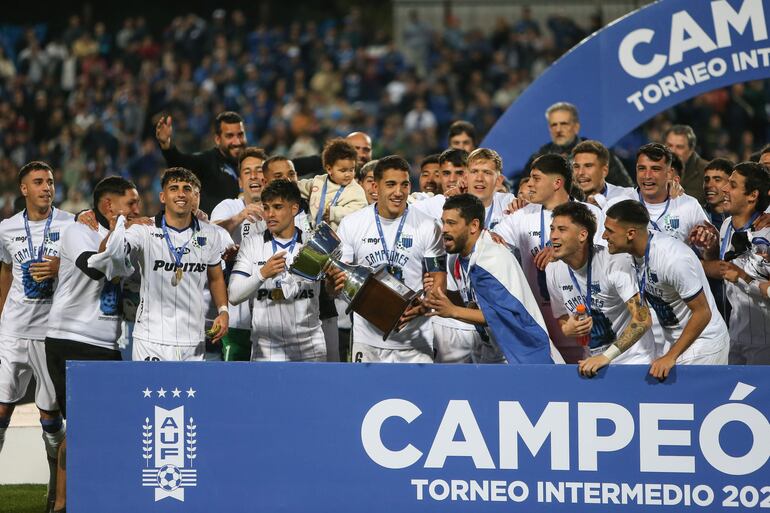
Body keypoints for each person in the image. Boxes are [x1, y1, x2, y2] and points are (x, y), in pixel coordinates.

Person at [43, 176, 144, 512]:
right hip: (72, 340)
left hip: (108, 344)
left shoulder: (125, 234)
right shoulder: (77, 231)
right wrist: (118, 229)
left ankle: (95, 499)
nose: (136, 210)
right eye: (130, 203)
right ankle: (61, 504)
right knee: (83, 427)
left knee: (107, 426)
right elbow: (94, 267)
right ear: (107, 206)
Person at [0, 161, 74, 512]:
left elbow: (85, 264)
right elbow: (6, 272)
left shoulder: (72, 224)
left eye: (50, 181)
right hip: (13, 331)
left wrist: (62, 265)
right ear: (24, 190)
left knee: (50, 416)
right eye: (39, 182)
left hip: (51, 332)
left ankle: (54, 490)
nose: (47, 187)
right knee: (1, 408)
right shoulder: (7, 228)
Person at [96, 168, 229, 361]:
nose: (181, 194)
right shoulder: (144, 229)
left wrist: (223, 311)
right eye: (174, 188)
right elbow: (107, 253)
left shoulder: (211, 234)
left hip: (193, 340)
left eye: (187, 189)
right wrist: (119, 229)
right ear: (163, 196)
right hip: (150, 339)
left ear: (194, 196)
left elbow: (216, 278)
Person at [331, 155, 447, 363]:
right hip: (367, 339)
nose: (398, 192)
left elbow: (438, 278)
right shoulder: (352, 224)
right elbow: (340, 278)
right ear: (375, 186)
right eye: (391, 184)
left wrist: (425, 305)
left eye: (404, 185)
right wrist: (334, 283)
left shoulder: (429, 226)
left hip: (415, 340)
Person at [424, 194, 562, 364]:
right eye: (443, 222)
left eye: (451, 223)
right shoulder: (466, 257)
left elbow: (506, 315)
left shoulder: (489, 260)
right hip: (498, 352)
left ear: (474, 225)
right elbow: (478, 304)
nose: (444, 229)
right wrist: (436, 302)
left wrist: (453, 310)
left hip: (527, 356)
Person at [494, 153, 604, 363]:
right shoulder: (522, 216)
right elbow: (492, 242)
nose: (529, 184)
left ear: (557, 183)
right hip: (542, 326)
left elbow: (605, 257)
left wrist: (562, 250)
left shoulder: (590, 213)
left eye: (536, 178)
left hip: (585, 322)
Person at [604, 200, 729, 379]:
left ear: (631, 233)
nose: (604, 236)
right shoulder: (634, 252)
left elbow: (703, 313)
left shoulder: (673, 259)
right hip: (675, 343)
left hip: (703, 344)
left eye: (610, 231)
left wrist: (671, 356)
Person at [544, 202, 655, 377]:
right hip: (593, 364)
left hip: (634, 363)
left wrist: (606, 357)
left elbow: (643, 319)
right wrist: (567, 329)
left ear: (582, 235)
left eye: (562, 229)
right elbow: (562, 317)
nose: (553, 236)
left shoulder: (614, 263)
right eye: (552, 229)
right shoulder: (552, 270)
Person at [229, 180, 325, 361]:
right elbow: (234, 296)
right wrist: (262, 274)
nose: (270, 214)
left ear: (294, 209)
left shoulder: (314, 244)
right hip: (266, 349)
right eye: (266, 208)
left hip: (310, 347)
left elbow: (334, 292)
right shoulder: (252, 244)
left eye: (278, 207)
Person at [707, 162, 770, 364]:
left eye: (732, 185)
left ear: (752, 195)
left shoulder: (767, 233)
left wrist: (743, 278)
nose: (724, 189)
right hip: (735, 338)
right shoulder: (727, 225)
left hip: (765, 345)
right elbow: (723, 269)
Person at [611, 143, 710, 242]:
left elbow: (709, 251)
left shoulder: (689, 206)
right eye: (642, 169)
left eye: (655, 169)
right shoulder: (619, 204)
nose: (647, 176)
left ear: (669, 173)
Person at [155, 111, 247, 214]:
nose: (237, 141)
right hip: (215, 227)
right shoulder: (207, 161)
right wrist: (166, 145)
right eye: (230, 136)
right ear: (217, 139)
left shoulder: (252, 163)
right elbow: (180, 163)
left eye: (240, 135)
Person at [524, 102, 633, 186]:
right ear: (549, 129)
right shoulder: (538, 158)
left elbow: (626, 188)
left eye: (564, 124)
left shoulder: (600, 153)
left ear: (576, 127)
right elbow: (524, 191)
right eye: (554, 125)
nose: (558, 130)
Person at [297, 138, 367, 231]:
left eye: (352, 169)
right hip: (312, 234)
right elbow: (298, 187)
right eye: (343, 170)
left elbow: (359, 212)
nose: (348, 174)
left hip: (340, 239)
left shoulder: (356, 190)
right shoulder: (318, 181)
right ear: (329, 169)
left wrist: (334, 213)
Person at [210, 147, 267, 244]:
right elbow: (210, 237)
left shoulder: (281, 208)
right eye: (247, 172)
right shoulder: (228, 206)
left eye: (259, 170)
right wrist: (239, 217)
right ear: (240, 182)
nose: (253, 176)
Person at [571, 140, 636, 208]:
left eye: (588, 166)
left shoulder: (627, 196)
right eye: (576, 166)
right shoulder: (565, 201)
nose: (580, 172)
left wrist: (602, 204)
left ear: (604, 171)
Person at [664, 124, 708, 203]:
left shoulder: (706, 172)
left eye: (679, 147)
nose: (672, 151)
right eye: (669, 145)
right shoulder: (656, 168)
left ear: (691, 149)